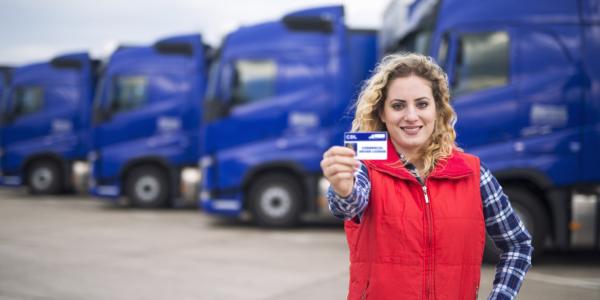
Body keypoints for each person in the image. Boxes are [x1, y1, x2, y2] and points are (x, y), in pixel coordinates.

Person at [320, 53, 532, 300]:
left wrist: (501, 296)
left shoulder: (474, 174)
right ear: (382, 113)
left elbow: (518, 245)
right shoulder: (365, 167)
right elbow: (350, 204)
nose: (411, 116)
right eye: (398, 106)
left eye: (422, 104)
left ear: (438, 110)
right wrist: (342, 189)